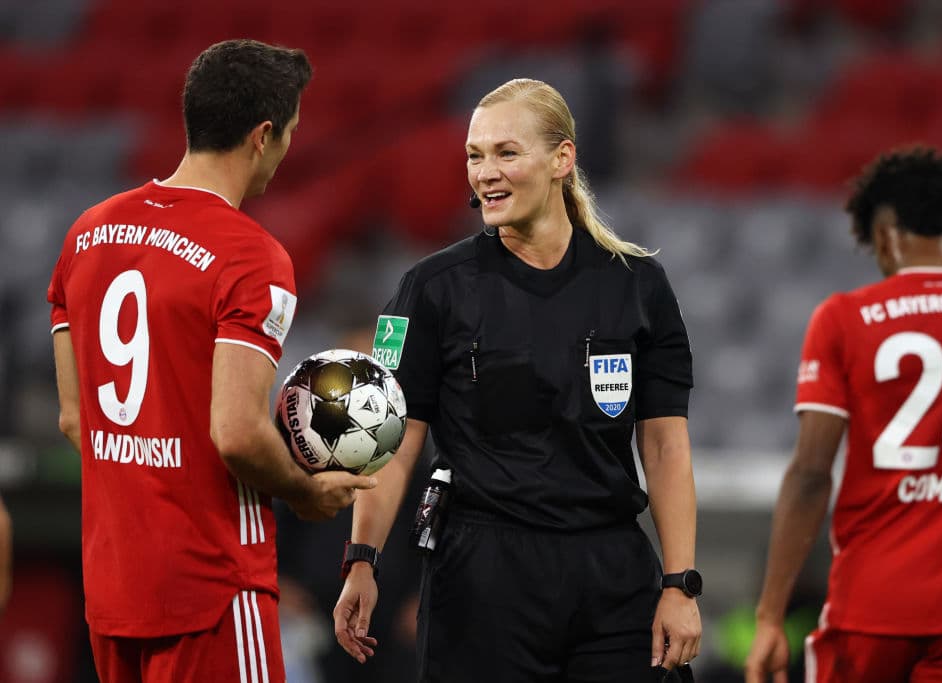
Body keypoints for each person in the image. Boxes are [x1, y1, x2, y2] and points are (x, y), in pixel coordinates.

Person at [333, 78, 702, 683]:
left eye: (506, 153)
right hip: (481, 575)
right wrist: (362, 560)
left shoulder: (638, 285)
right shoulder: (431, 288)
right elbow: (393, 443)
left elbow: (663, 445)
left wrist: (680, 583)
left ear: (563, 159)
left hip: (611, 570)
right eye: (475, 156)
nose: (485, 172)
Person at [48, 39, 376, 682]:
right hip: (213, 586)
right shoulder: (250, 256)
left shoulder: (86, 233)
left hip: (114, 587)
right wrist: (306, 491)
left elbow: (72, 418)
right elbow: (236, 432)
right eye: (289, 134)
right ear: (262, 135)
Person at [745, 146, 942, 683]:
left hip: (869, 612)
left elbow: (810, 475)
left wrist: (769, 615)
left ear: (882, 239)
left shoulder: (845, 320)